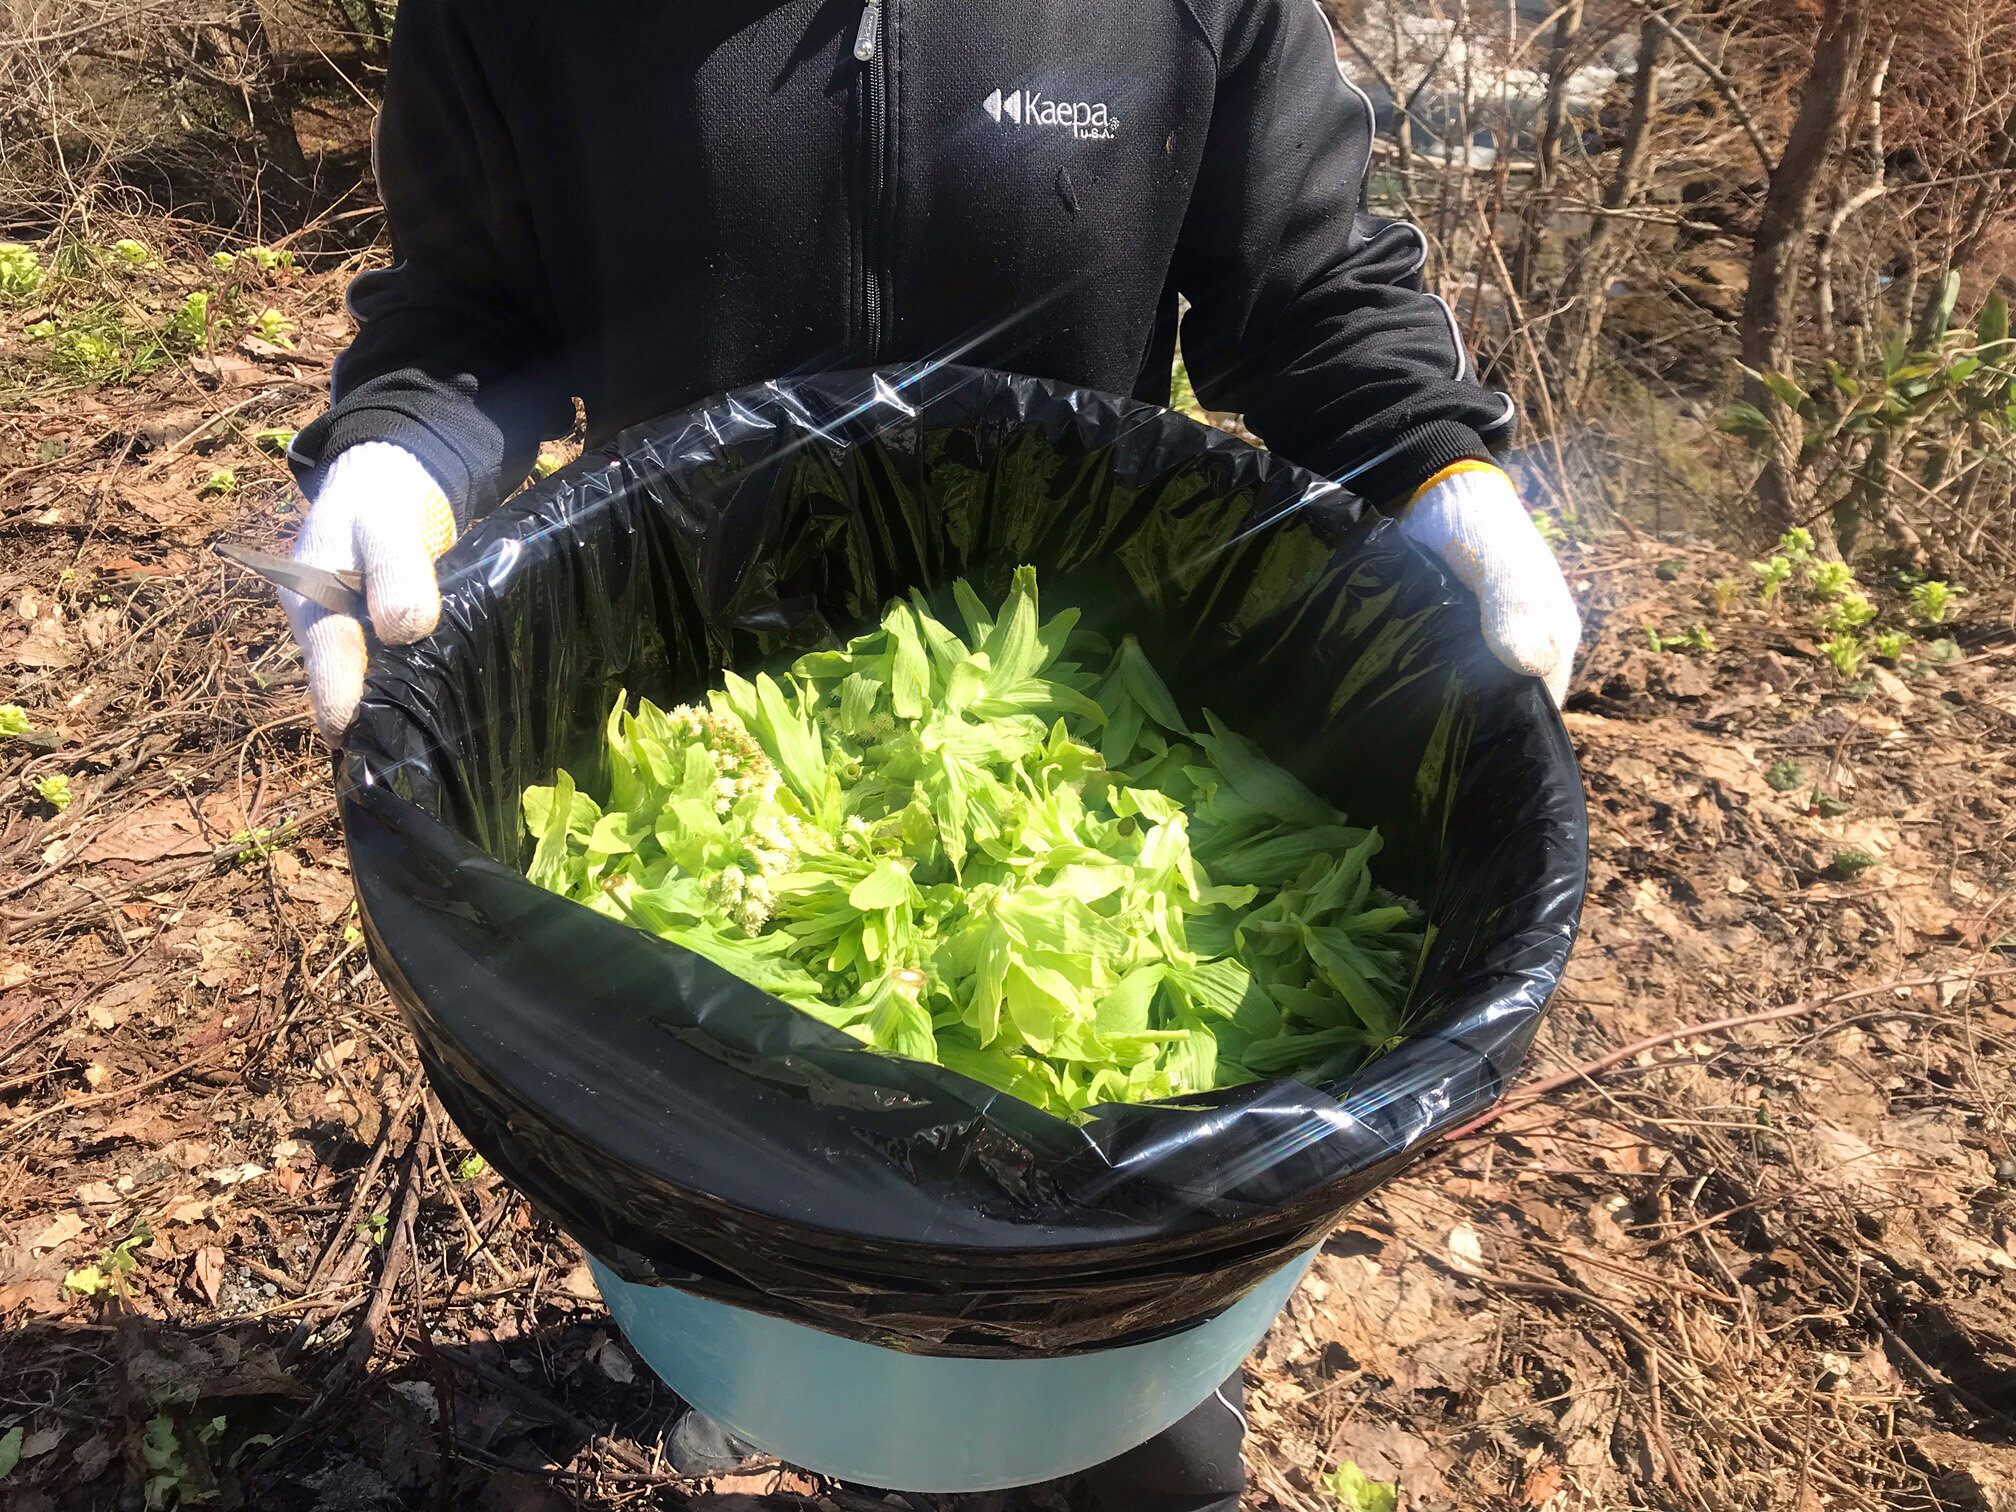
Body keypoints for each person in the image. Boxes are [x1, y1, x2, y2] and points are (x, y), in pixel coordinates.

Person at [280, 0, 1581, 1504]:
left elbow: (1307, 281)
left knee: (1106, 1361)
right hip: (709, 687)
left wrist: (1435, 461)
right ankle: (741, 1357)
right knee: (732, 1204)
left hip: (1070, 674)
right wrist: (403, 446)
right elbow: (470, 305)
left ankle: (1121, 1410)